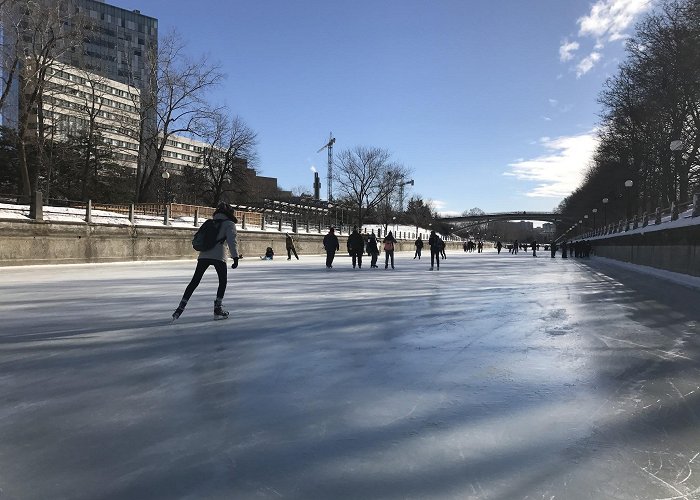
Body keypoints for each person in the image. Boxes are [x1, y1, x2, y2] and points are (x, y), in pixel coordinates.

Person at [172, 202, 239, 321]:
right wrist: (235, 257)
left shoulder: (209, 222)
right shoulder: (229, 224)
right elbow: (232, 241)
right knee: (222, 282)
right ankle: (217, 309)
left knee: (194, 281)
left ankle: (180, 308)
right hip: (219, 256)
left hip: (204, 255)